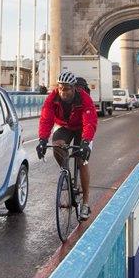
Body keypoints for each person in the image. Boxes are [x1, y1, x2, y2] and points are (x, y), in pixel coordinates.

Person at [36, 71, 98, 220]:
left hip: (82, 127)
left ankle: (85, 204)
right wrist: (42, 140)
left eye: (67, 88)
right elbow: (46, 119)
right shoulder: (52, 98)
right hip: (65, 126)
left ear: (74, 88)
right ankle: (66, 174)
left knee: (82, 161)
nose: (63, 91)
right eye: (61, 88)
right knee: (57, 145)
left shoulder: (84, 98)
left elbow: (89, 122)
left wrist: (85, 142)